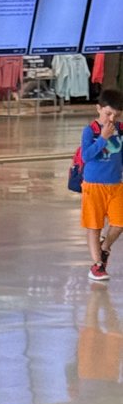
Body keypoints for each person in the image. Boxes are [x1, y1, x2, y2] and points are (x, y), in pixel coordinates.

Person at [79, 87, 123, 284]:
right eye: (108, 113)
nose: (112, 119)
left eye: (117, 115)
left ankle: (104, 247)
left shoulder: (120, 130)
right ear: (98, 109)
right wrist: (103, 138)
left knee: (119, 223)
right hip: (94, 185)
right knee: (94, 225)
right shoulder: (90, 131)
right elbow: (86, 156)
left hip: (115, 185)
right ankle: (97, 264)